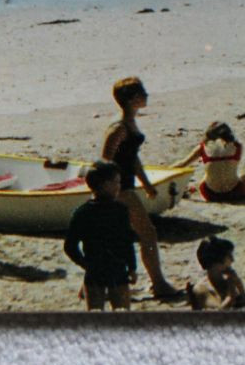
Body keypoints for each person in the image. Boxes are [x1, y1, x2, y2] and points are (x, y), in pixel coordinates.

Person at [101, 77, 183, 299]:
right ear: (131, 99)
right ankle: (158, 283)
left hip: (125, 186)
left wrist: (146, 184)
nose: (146, 95)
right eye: (142, 93)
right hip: (119, 189)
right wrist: (112, 192)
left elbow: (132, 157)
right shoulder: (119, 128)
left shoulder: (129, 123)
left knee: (114, 237)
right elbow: (105, 162)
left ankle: (94, 286)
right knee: (147, 233)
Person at [63, 161, 137, 311]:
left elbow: (70, 246)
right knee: (122, 316)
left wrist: (85, 264)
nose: (119, 186)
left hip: (97, 271)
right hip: (116, 269)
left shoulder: (83, 212)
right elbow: (127, 242)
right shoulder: (120, 210)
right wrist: (132, 267)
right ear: (105, 185)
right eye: (116, 182)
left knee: (96, 316)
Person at [180, 121, 245, 201]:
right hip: (235, 192)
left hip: (209, 194)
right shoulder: (237, 146)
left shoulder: (203, 147)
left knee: (208, 174)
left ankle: (192, 188)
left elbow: (183, 164)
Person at [188, 236, 245, 310]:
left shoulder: (226, 282)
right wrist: (230, 297)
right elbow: (218, 312)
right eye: (229, 256)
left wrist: (240, 287)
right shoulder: (201, 288)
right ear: (217, 261)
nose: (232, 260)